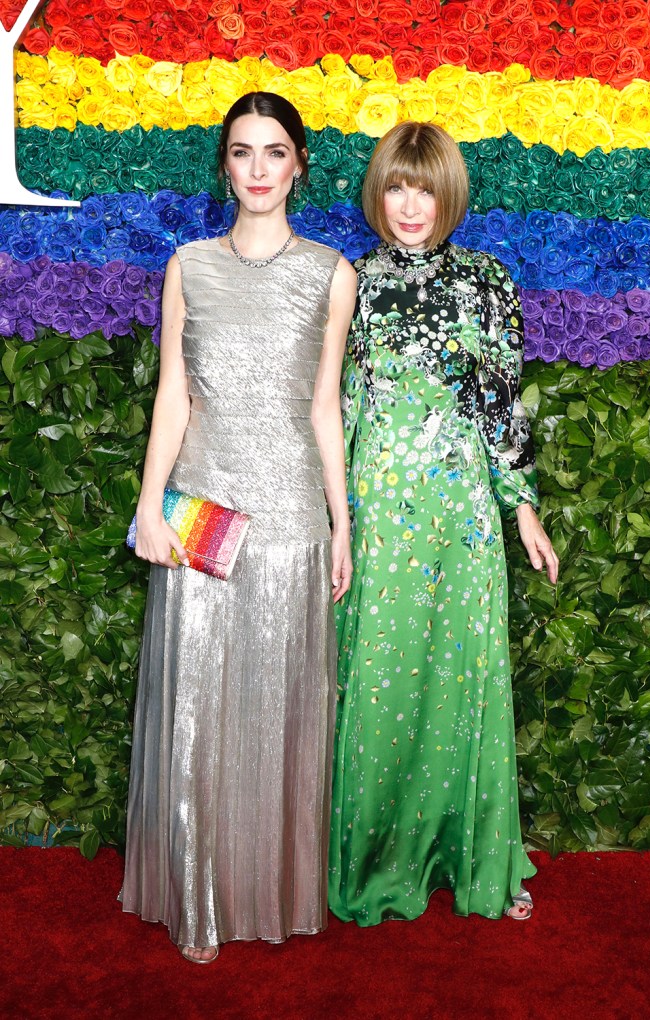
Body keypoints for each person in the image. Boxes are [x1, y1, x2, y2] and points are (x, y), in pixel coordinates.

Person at [120, 91, 356, 962]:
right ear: (224, 165)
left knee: (275, 711)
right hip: (202, 513)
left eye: (274, 152)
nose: (258, 170)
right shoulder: (188, 264)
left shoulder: (334, 272)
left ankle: (269, 887)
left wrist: (342, 522)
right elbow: (173, 396)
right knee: (198, 708)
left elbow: (325, 406)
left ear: (300, 164)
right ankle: (199, 895)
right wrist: (149, 505)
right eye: (242, 153)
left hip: (293, 514)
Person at [329, 121, 559, 926]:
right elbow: (337, 408)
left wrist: (521, 507)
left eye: (424, 187)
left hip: (461, 513)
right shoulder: (348, 281)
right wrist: (334, 519)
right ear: (378, 193)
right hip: (379, 509)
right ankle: (370, 860)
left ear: (448, 193)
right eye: (397, 185)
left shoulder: (489, 281)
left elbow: (500, 402)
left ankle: (472, 854)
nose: (410, 204)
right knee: (380, 677)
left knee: (462, 677)